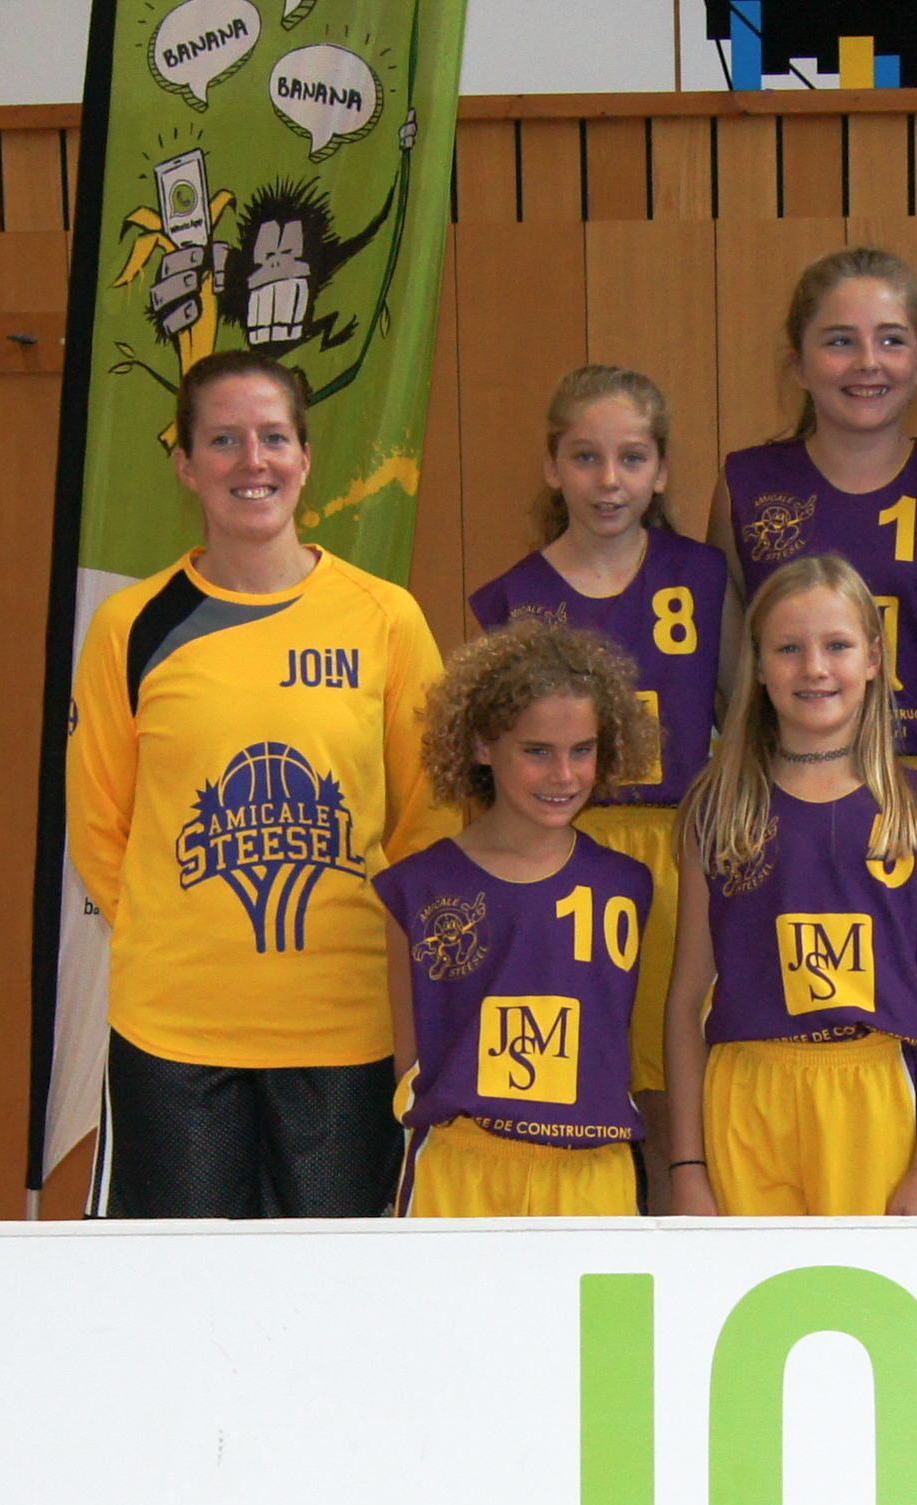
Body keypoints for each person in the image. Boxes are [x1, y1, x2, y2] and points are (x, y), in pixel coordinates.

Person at [67, 349, 443, 1219]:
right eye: (223, 439)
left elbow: (434, 817)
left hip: (343, 1031)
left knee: (334, 1289)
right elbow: (98, 824)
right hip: (174, 1035)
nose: (252, 460)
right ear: (184, 464)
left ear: (305, 458)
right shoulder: (131, 625)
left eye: (274, 437)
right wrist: (180, 933)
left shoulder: (385, 618)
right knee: (179, 1288)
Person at [470, 363, 730, 1202]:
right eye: (585, 457)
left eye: (631, 457)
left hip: (680, 848)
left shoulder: (703, 577)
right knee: (582, 1077)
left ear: (661, 470)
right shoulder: (515, 598)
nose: (608, 480)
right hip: (561, 856)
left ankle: (678, 1241)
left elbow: (743, 715)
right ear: (552, 468)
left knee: (672, 1081)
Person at [665, 556, 917, 1217]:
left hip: (873, 1095)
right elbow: (687, 999)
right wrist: (687, 1165)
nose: (814, 668)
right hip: (745, 1096)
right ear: (757, 664)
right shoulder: (717, 811)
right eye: (788, 649)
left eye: (837, 645)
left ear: (874, 657)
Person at [370, 618, 660, 1217]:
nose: (564, 775)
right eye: (537, 752)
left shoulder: (627, 886)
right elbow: (409, 1059)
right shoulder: (418, 888)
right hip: (461, 1170)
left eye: (582, 750)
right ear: (482, 745)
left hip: (591, 1174)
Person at [711, 249, 917, 776]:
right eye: (840, 341)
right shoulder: (748, 486)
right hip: (789, 778)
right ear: (798, 365)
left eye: (892, 340)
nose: (868, 361)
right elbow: (729, 674)